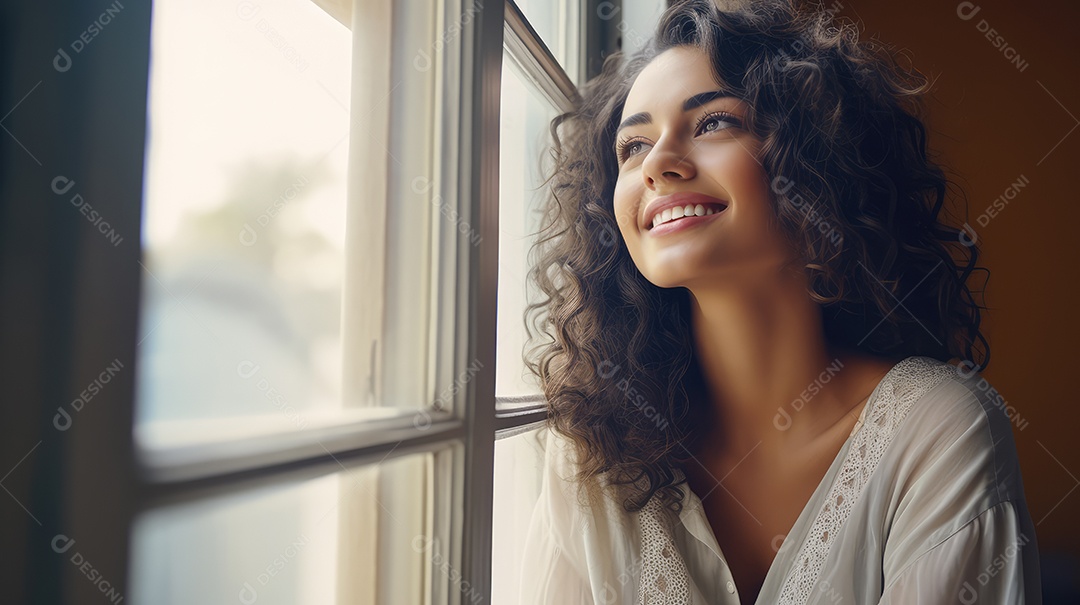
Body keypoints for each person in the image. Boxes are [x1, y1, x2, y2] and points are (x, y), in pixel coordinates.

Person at [518, 0, 1043, 603]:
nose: (658, 164)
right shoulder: (594, 447)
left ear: (816, 162)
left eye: (713, 122)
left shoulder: (939, 432)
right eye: (632, 146)